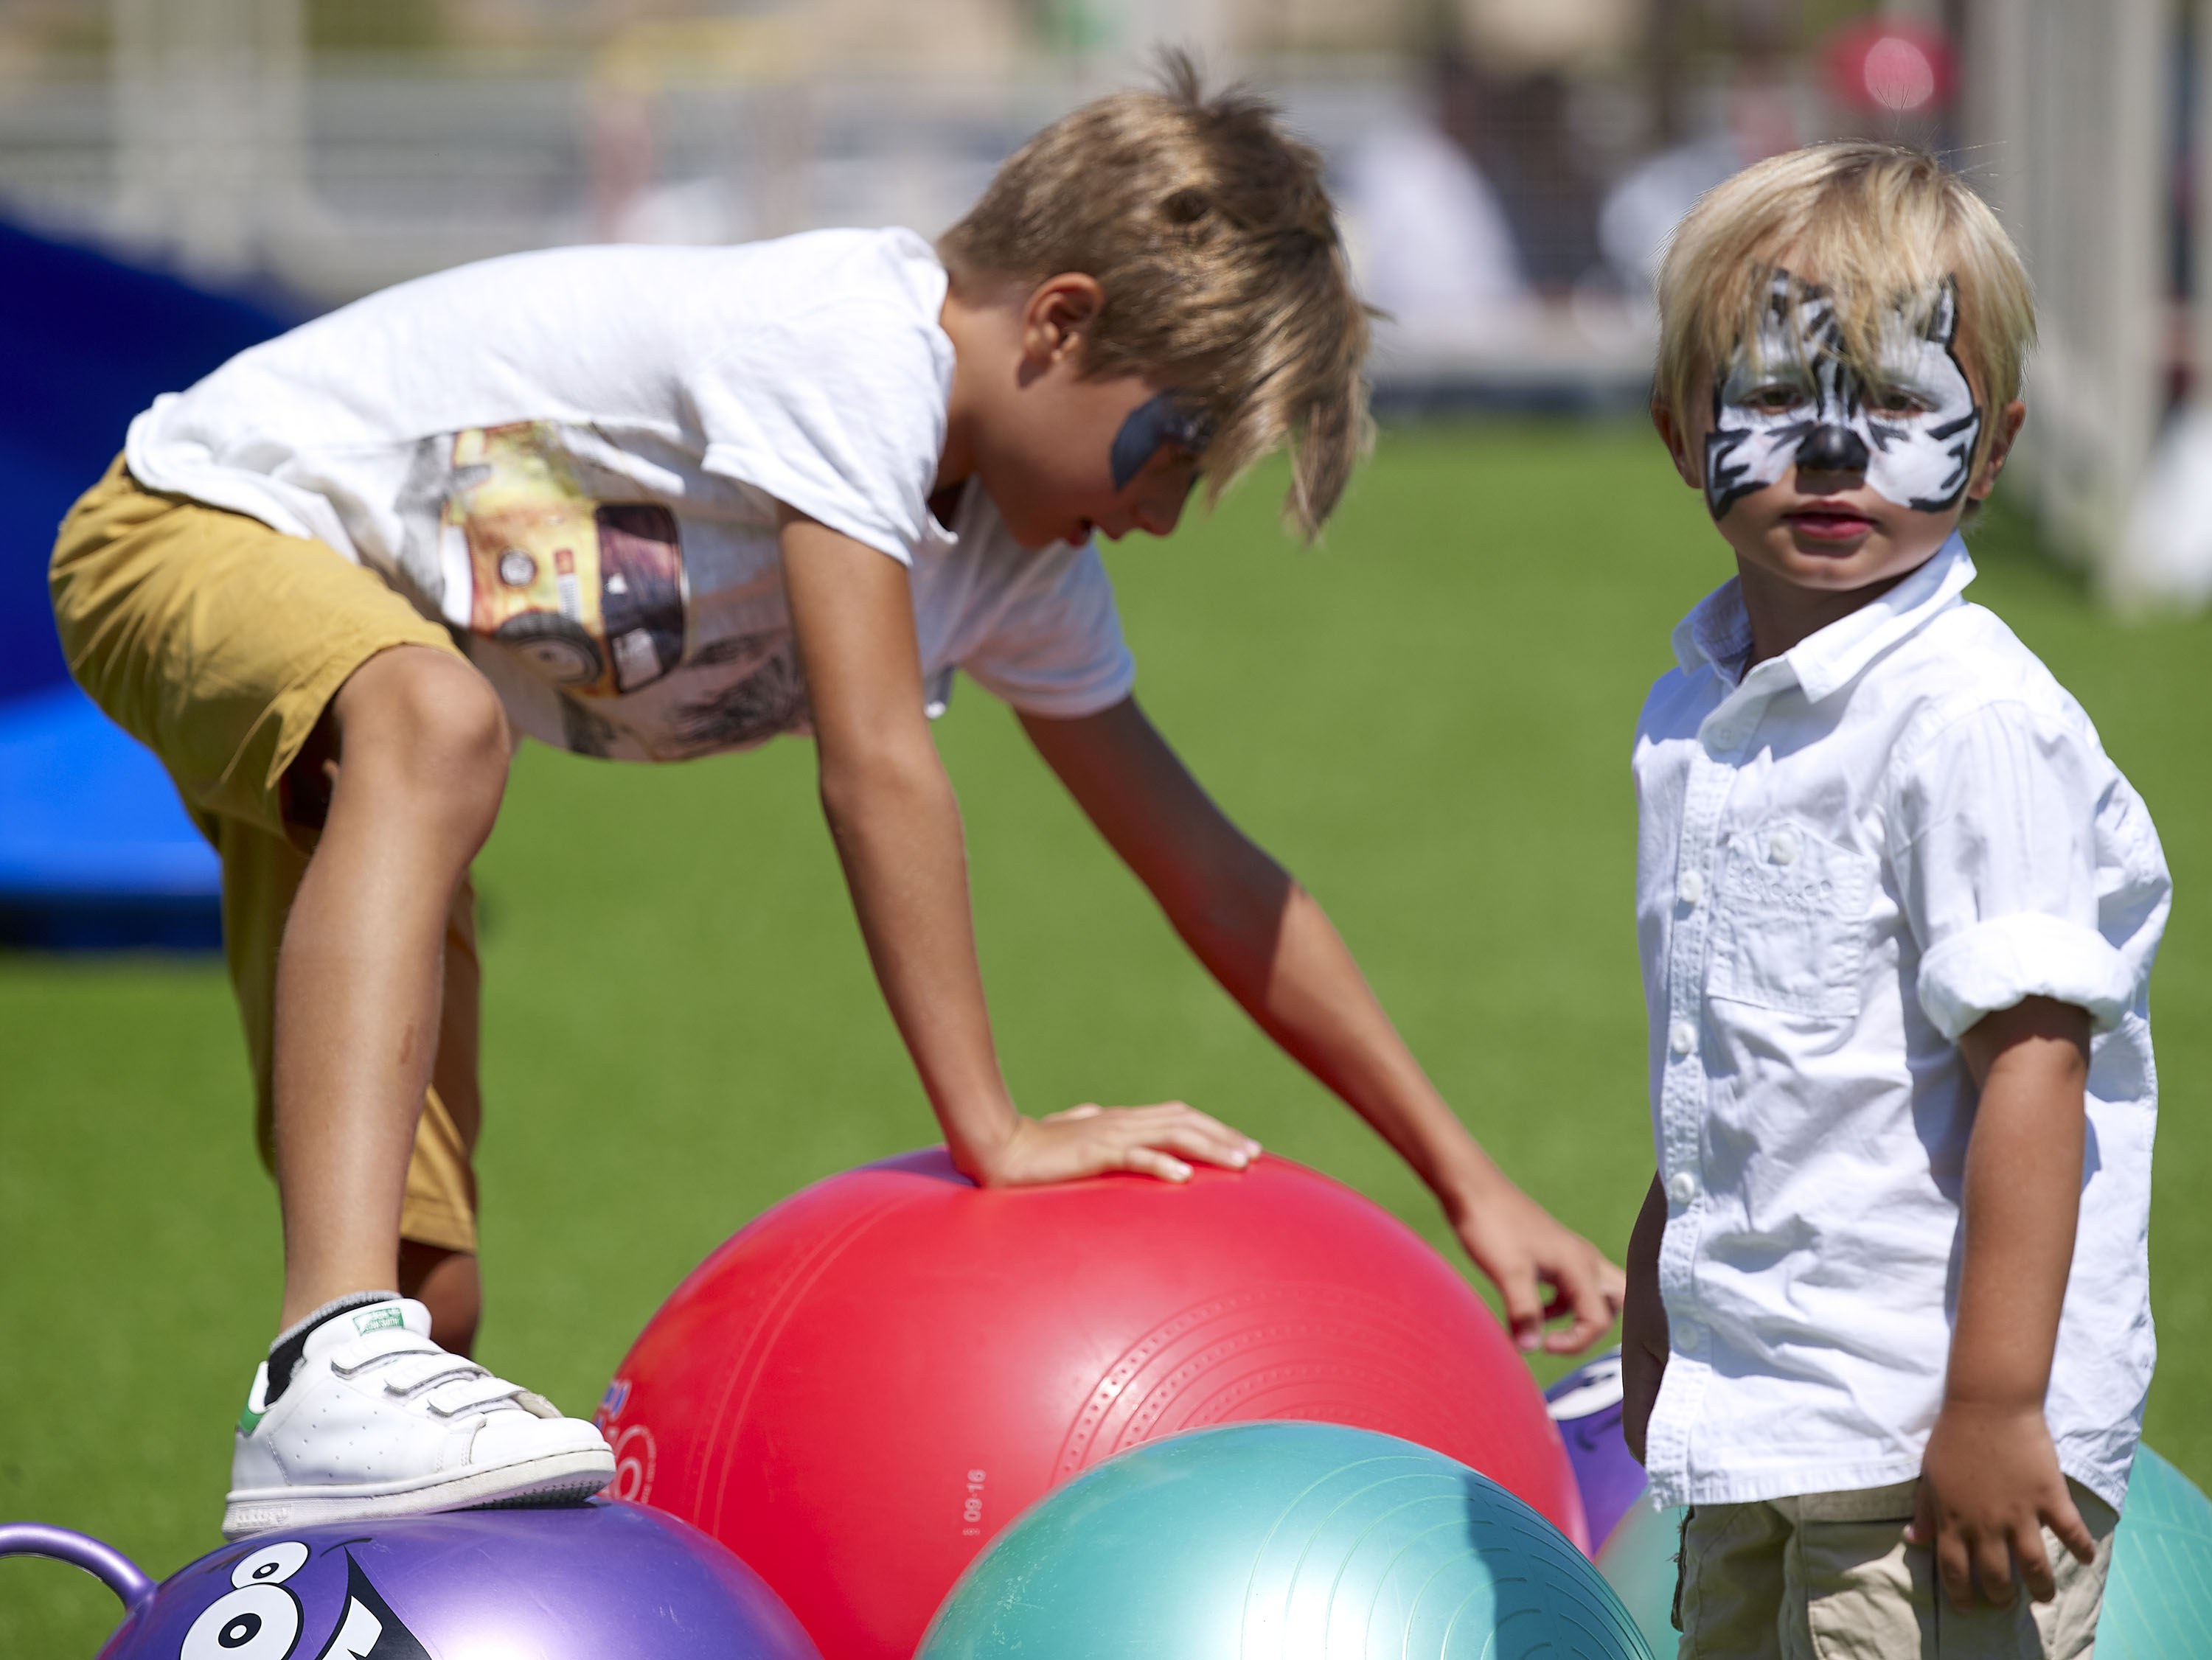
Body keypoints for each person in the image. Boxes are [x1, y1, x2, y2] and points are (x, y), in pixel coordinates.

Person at [52, 62, 1623, 1544]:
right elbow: (874, 763)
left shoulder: (1014, 561)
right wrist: (991, 1128)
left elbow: (1217, 878)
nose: (1153, 514)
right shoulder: (849, 341)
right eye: (1169, 447)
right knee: (436, 727)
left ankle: (321, 1465)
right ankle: (319, 1356)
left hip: (364, 747)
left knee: (432, 1300)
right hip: (188, 525)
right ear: (1059, 324)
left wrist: (1470, 1181)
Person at [1617, 142, 2170, 1657]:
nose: (1834, 453)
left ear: (1989, 451)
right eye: (1777, 400)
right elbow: (1723, 1057)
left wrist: (1995, 1403)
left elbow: (2035, 1076)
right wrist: (1663, 1298)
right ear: (1681, 429)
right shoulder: (1698, 718)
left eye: (1901, 404)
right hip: (1761, 1411)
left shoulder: (1970, 723)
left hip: (1926, 1437)